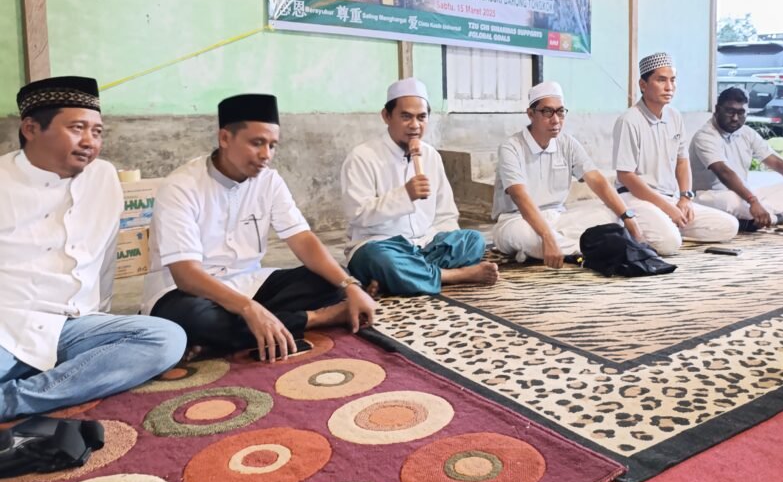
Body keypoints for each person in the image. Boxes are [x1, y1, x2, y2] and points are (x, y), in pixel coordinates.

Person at [1, 76, 186, 421]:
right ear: (30, 128)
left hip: (74, 326)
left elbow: (104, 263)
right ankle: (59, 379)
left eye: (98, 132)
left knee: (166, 339)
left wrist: (102, 320)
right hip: (7, 328)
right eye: (77, 128)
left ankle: (13, 400)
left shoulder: (102, 177)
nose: (90, 142)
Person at [143, 94, 376, 362]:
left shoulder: (270, 181)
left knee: (332, 279)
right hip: (187, 293)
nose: (266, 155)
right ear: (225, 138)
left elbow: (302, 239)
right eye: (257, 143)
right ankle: (317, 318)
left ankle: (228, 338)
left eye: (273, 145)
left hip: (249, 282)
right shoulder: (181, 186)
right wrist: (248, 308)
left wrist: (350, 286)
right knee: (194, 320)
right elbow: (186, 275)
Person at [340, 78, 499, 296]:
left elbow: (446, 213)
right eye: (406, 117)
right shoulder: (363, 156)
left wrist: (445, 242)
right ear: (386, 116)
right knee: (382, 260)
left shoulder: (431, 155)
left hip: (425, 246)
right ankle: (456, 275)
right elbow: (358, 215)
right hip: (380, 245)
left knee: (473, 241)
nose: (415, 125)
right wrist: (405, 195)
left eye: (421, 117)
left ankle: (401, 278)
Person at [493, 81, 650, 267]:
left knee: (611, 214)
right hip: (517, 219)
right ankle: (600, 250)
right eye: (547, 112)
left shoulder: (567, 143)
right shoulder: (511, 148)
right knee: (523, 235)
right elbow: (520, 197)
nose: (556, 120)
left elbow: (597, 181)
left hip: (558, 219)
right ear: (530, 114)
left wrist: (627, 217)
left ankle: (568, 249)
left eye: (560, 112)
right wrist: (547, 236)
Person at [612, 52, 739, 254]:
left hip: (670, 198)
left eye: (673, 80)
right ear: (643, 85)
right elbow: (625, 176)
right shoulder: (629, 120)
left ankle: (666, 229)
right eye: (661, 80)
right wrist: (667, 208)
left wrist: (685, 198)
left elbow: (682, 161)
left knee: (729, 226)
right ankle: (648, 228)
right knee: (669, 244)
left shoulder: (674, 116)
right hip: (636, 199)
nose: (669, 87)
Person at [690, 87, 783, 231]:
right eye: (730, 112)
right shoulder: (705, 136)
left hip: (744, 195)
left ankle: (753, 218)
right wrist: (753, 201)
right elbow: (725, 173)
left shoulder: (747, 133)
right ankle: (777, 218)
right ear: (717, 110)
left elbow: (778, 163)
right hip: (710, 198)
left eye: (741, 112)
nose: (735, 118)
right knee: (732, 200)